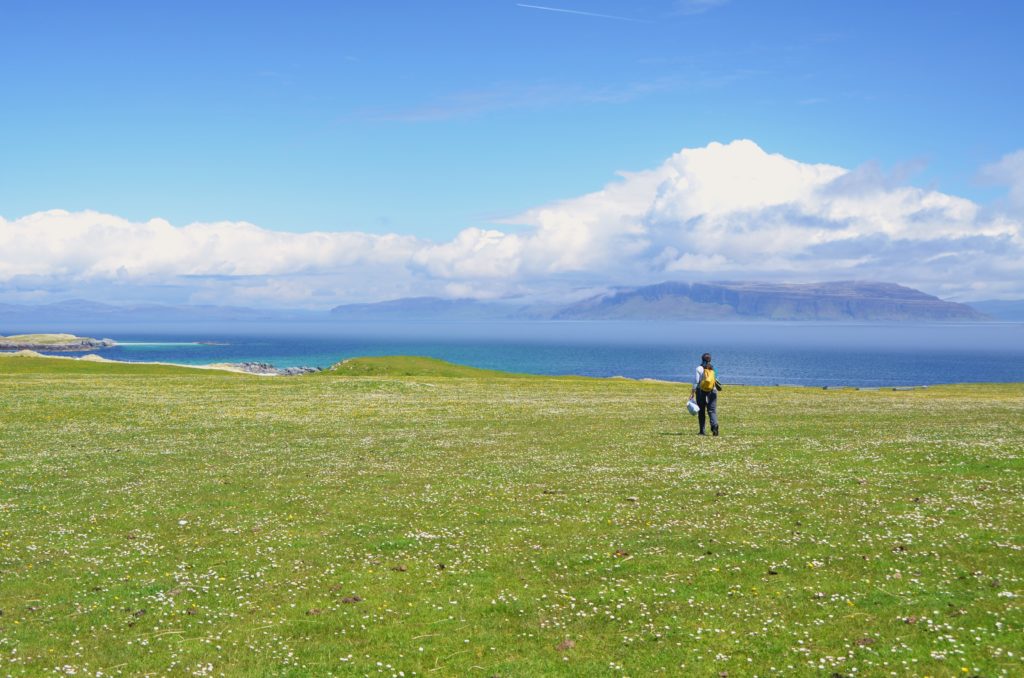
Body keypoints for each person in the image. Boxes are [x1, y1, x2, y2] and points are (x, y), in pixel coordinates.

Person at [691, 352, 722, 436]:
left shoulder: (699, 368)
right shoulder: (714, 369)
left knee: (701, 411)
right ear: (710, 360)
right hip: (713, 392)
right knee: (712, 410)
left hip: (701, 392)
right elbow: (717, 380)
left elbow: (696, 382)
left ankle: (702, 431)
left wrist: (692, 392)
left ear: (702, 359)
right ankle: (714, 426)